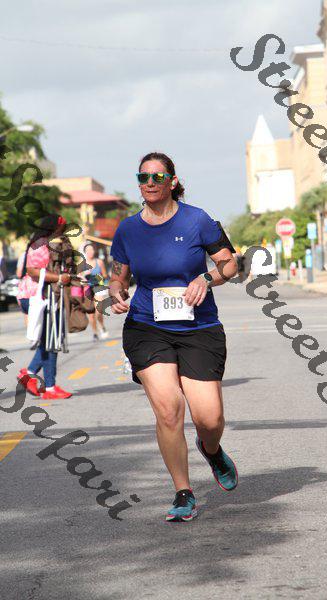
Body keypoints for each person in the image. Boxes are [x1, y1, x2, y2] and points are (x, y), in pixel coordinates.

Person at [109, 152, 239, 522]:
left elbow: (230, 263)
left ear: (172, 181)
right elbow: (119, 275)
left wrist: (206, 278)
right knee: (168, 410)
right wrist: (116, 290)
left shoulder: (198, 220)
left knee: (209, 419)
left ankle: (211, 450)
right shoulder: (128, 229)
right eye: (143, 177)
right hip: (147, 327)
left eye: (157, 176)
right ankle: (183, 492)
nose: (149, 183)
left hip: (199, 328)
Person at [16, 214, 74, 399]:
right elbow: (32, 270)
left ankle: (30, 375)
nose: (63, 231)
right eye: (62, 228)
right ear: (54, 228)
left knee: (49, 341)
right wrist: (59, 277)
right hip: (39, 297)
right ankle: (49, 387)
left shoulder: (43, 242)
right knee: (52, 340)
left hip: (40, 296)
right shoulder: (40, 244)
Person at [82, 243, 109, 340]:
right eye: (88, 250)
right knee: (91, 315)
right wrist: (84, 278)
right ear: (85, 252)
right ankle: (95, 332)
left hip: (98, 288)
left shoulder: (99, 262)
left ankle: (102, 326)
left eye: (91, 250)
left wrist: (99, 278)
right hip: (87, 290)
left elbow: (105, 275)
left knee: (98, 311)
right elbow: (79, 278)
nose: (90, 252)